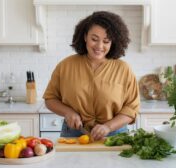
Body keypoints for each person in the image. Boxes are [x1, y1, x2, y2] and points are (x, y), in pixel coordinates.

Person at [43, 11, 140, 141]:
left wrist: (108, 127)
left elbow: (131, 109)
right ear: (85, 37)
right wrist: (68, 113)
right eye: (94, 39)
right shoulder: (65, 66)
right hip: (74, 133)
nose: (99, 46)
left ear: (113, 42)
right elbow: (50, 99)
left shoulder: (124, 69)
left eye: (106, 41)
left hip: (114, 136)